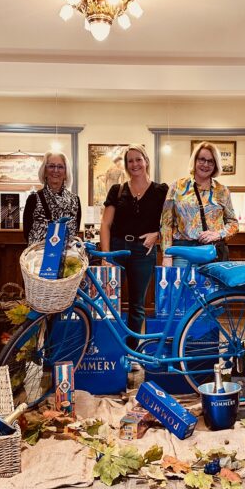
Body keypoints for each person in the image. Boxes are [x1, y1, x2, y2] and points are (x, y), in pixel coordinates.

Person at [100, 145, 168, 347]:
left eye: (138, 159)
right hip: (117, 248)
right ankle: (111, 349)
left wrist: (157, 234)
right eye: (130, 161)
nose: (135, 164)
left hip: (143, 251)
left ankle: (131, 351)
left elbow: (169, 223)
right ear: (126, 165)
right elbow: (105, 224)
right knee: (110, 301)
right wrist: (105, 256)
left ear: (146, 161)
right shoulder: (117, 190)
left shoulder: (160, 190)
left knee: (137, 304)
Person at [160, 141, 238, 268]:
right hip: (182, 253)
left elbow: (233, 223)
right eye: (202, 159)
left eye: (210, 161)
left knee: (213, 288)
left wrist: (218, 234)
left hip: (212, 252)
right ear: (195, 161)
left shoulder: (222, 191)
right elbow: (166, 224)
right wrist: (166, 255)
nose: (205, 164)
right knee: (182, 288)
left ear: (215, 164)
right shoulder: (177, 187)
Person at [22, 151, 81, 245]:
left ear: (66, 173)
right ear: (44, 171)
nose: (56, 170)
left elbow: (75, 231)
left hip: (67, 256)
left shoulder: (75, 200)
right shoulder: (33, 199)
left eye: (60, 167)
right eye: (51, 166)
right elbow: (27, 233)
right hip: (39, 256)